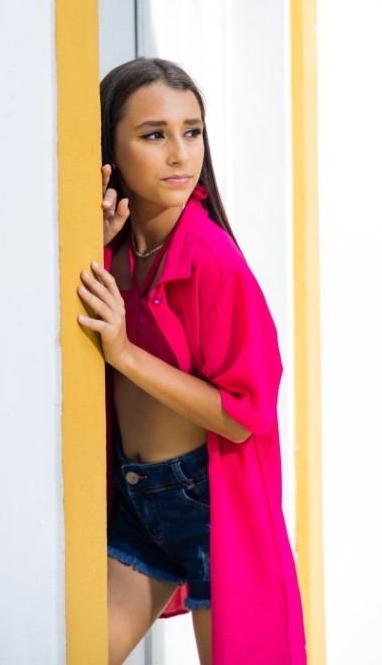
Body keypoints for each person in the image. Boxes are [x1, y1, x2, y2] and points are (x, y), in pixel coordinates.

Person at [77, 57, 306, 665]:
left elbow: (244, 416)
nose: (181, 154)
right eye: (155, 134)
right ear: (111, 148)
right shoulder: (111, 246)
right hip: (136, 498)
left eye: (192, 131)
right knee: (77, 651)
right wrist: (93, 239)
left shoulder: (212, 261)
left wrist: (125, 354)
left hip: (210, 508)